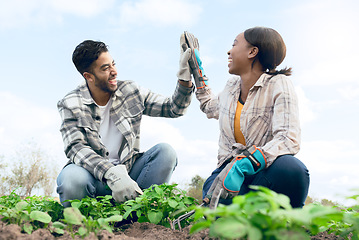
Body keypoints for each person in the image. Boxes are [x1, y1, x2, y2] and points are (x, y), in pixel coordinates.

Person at [56, 37, 194, 207]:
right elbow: (76, 147)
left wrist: (184, 79)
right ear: (89, 76)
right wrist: (112, 174)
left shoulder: (131, 91)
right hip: (92, 177)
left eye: (113, 64)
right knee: (71, 179)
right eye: (105, 68)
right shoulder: (70, 103)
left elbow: (173, 108)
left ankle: (137, 217)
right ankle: (84, 225)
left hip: (129, 175)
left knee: (166, 152)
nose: (114, 71)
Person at [185, 27, 309, 208]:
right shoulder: (231, 87)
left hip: (264, 174)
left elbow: (288, 139)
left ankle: (287, 222)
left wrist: (246, 163)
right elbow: (208, 106)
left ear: (253, 52)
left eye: (234, 44)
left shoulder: (278, 84)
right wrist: (197, 72)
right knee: (216, 199)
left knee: (292, 169)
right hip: (229, 176)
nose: (229, 51)